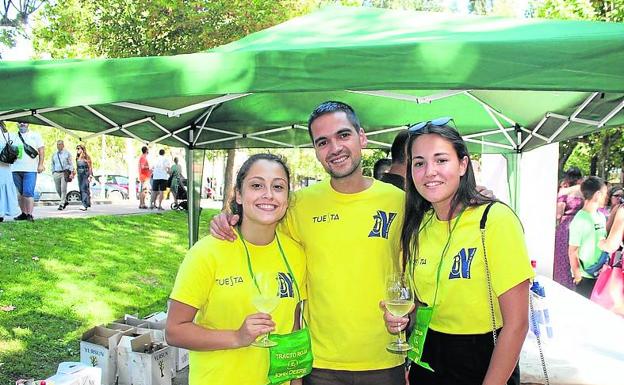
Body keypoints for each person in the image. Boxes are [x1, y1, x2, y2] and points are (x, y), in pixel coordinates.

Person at [212, 101, 408, 385]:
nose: (335, 148)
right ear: (316, 151)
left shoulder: (399, 201)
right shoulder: (299, 204)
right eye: (323, 142)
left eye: (343, 135)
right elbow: (262, 234)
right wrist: (228, 219)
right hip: (319, 364)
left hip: (384, 358)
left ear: (361, 137)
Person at [383, 119, 532, 385]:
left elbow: (517, 324)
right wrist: (402, 319)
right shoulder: (417, 226)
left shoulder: (495, 220)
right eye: (419, 163)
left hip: (483, 361)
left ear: (463, 164)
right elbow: (421, 304)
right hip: (428, 360)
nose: (430, 171)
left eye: (441, 160)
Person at [166, 153, 307, 385]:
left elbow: (293, 329)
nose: (268, 194)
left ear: (287, 198)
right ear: (239, 195)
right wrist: (237, 337)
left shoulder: (296, 254)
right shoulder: (207, 252)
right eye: (257, 185)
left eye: (278, 186)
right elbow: (174, 331)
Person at [568, 176, 608, 299]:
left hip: (600, 275)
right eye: (605, 193)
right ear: (597, 194)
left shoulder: (601, 216)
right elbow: (572, 251)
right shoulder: (580, 219)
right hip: (585, 277)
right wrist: (578, 275)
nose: (607, 197)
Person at [553, 167, 584, 290]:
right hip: (580, 225)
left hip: (565, 227)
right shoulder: (583, 191)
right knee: (575, 256)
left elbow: (558, 214)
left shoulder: (564, 192)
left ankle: (563, 286)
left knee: (562, 259)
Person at [12, 122, 45, 221]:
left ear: (28, 124)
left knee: (28, 192)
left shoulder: (35, 135)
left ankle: (30, 214)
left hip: (30, 169)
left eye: (24, 122)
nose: (22, 124)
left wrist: (40, 164)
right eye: (20, 122)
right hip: (15, 169)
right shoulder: (13, 136)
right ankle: (23, 213)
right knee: (20, 193)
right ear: (17, 124)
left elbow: (41, 151)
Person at [0, 121, 19, 222]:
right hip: (6, 166)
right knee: (4, 188)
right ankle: (2, 212)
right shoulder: (7, 134)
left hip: (2, 167)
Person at [50, 140, 74, 210]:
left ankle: (62, 204)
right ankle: (65, 201)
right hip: (56, 173)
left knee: (63, 189)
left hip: (64, 173)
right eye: (57, 144)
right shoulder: (54, 154)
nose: (59, 146)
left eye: (60, 144)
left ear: (63, 145)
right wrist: (53, 172)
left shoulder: (67, 153)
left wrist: (71, 172)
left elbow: (70, 164)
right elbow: (52, 163)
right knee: (58, 189)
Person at [74, 144, 93, 211]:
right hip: (79, 174)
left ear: (82, 149)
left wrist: (90, 175)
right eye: (77, 149)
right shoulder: (77, 157)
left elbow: (90, 166)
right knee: (81, 189)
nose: (77, 150)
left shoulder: (86, 157)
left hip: (85, 173)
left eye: (79, 148)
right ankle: (86, 203)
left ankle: (84, 204)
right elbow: (77, 167)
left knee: (84, 188)